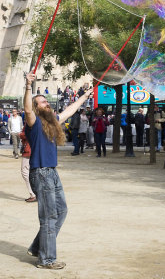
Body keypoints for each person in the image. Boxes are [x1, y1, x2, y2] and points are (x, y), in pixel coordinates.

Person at [24, 69, 92, 269]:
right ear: (37, 108)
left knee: (61, 211)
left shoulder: (51, 122)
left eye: (47, 101)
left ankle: (38, 247)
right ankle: (46, 260)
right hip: (41, 172)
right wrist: (28, 86)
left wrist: (84, 97)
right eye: (43, 102)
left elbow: (69, 110)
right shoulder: (33, 122)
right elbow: (27, 109)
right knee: (49, 217)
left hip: (52, 172)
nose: (47, 103)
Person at [19, 126, 36, 202]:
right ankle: (36, 193)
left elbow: (25, 134)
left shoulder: (30, 121)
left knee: (25, 172)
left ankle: (33, 194)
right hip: (34, 148)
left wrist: (20, 134)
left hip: (29, 149)